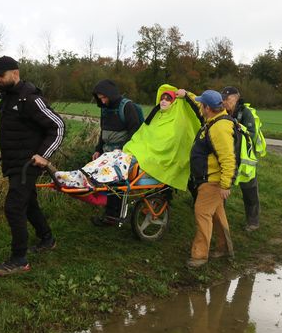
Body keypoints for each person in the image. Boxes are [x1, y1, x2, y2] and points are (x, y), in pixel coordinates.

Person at [0, 56, 65, 276]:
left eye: (1, 76)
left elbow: (58, 126)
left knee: (14, 207)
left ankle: (19, 259)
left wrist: (44, 155)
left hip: (28, 165)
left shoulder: (29, 99)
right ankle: (47, 239)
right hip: (15, 163)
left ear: (15, 73)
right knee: (28, 204)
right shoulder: (8, 99)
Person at [54, 86, 201, 193]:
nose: (163, 101)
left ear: (174, 102)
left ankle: (91, 180)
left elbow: (167, 146)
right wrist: (133, 148)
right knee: (110, 155)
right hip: (137, 152)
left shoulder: (177, 123)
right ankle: (79, 174)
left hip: (152, 158)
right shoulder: (156, 118)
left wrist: (186, 94)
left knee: (120, 162)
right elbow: (141, 136)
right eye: (162, 98)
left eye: (168, 99)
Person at [178, 89, 235, 268]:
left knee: (201, 212)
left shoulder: (219, 128)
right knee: (217, 214)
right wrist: (186, 94)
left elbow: (228, 158)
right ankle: (224, 247)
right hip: (210, 179)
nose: (200, 106)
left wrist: (225, 184)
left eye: (202, 105)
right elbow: (198, 102)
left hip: (213, 181)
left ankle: (199, 256)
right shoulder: (213, 119)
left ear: (208, 108)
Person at [91, 79, 142, 226]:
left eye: (104, 97)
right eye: (100, 98)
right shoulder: (104, 108)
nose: (103, 101)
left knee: (116, 184)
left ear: (111, 94)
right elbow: (103, 131)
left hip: (122, 154)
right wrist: (98, 149)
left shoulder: (127, 107)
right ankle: (110, 213)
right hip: (107, 152)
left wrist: (123, 152)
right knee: (105, 182)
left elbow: (135, 133)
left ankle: (113, 216)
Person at [220, 86, 260, 231]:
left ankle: (253, 222)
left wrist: (235, 128)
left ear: (236, 98)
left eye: (227, 99)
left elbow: (251, 134)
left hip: (244, 160)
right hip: (228, 157)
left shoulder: (246, 113)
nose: (224, 101)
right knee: (222, 189)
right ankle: (220, 221)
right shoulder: (222, 112)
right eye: (223, 98)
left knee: (249, 191)